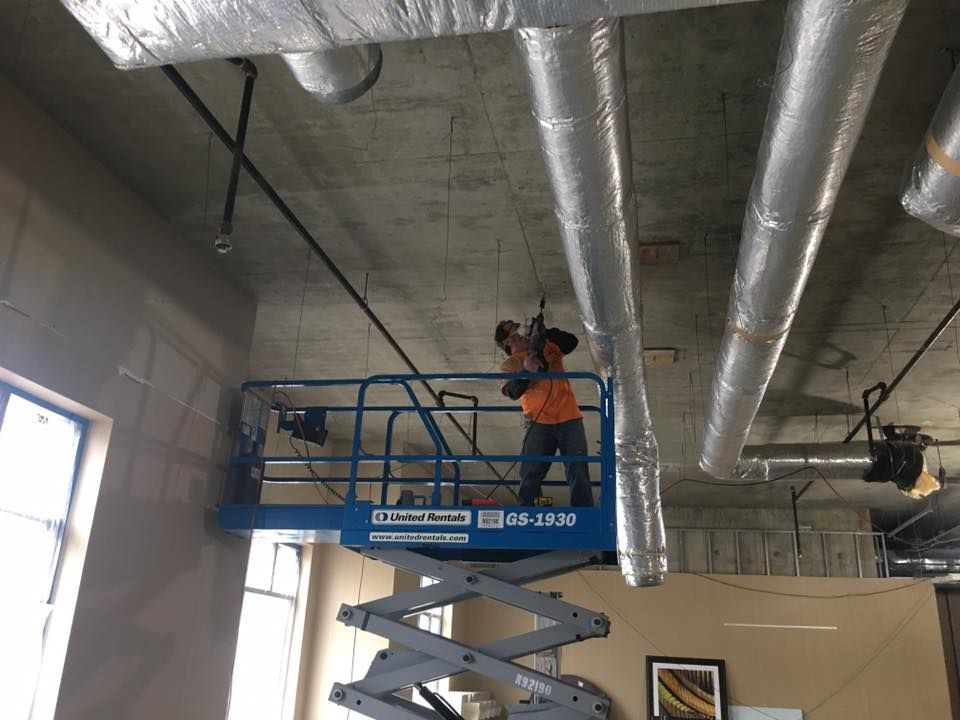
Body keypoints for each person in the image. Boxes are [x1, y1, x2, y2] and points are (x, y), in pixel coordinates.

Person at [494, 319, 594, 507]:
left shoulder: (546, 346)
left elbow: (571, 342)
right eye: (514, 327)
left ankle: (583, 512)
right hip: (539, 422)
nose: (519, 326)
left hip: (569, 417)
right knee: (530, 472)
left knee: (578, 469)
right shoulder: (510, 364)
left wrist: (544, 332)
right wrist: (526, 371)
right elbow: (513, 392)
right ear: (507, 341)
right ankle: (528, 512)